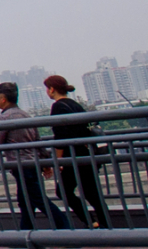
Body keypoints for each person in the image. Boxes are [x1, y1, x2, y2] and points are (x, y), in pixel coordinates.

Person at [0, 83, 67, 230]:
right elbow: (37, 142)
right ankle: (26, 234)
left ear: (3, 99)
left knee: (38, 199)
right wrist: (45, 163)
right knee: (26, 201)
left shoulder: (3, 119)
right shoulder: (26, 115)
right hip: (33, 164)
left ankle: (65, 229)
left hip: (21, 166)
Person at [44, 74, 111, 228]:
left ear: (52, 89)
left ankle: (90, 221)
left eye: (47, 89)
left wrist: (59, 161)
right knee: (91, 192)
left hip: (72, 156)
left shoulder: (58, 106)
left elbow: (60, 137)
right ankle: (104, 224)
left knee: (63, 192)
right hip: (86, 153)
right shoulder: (74, 104)